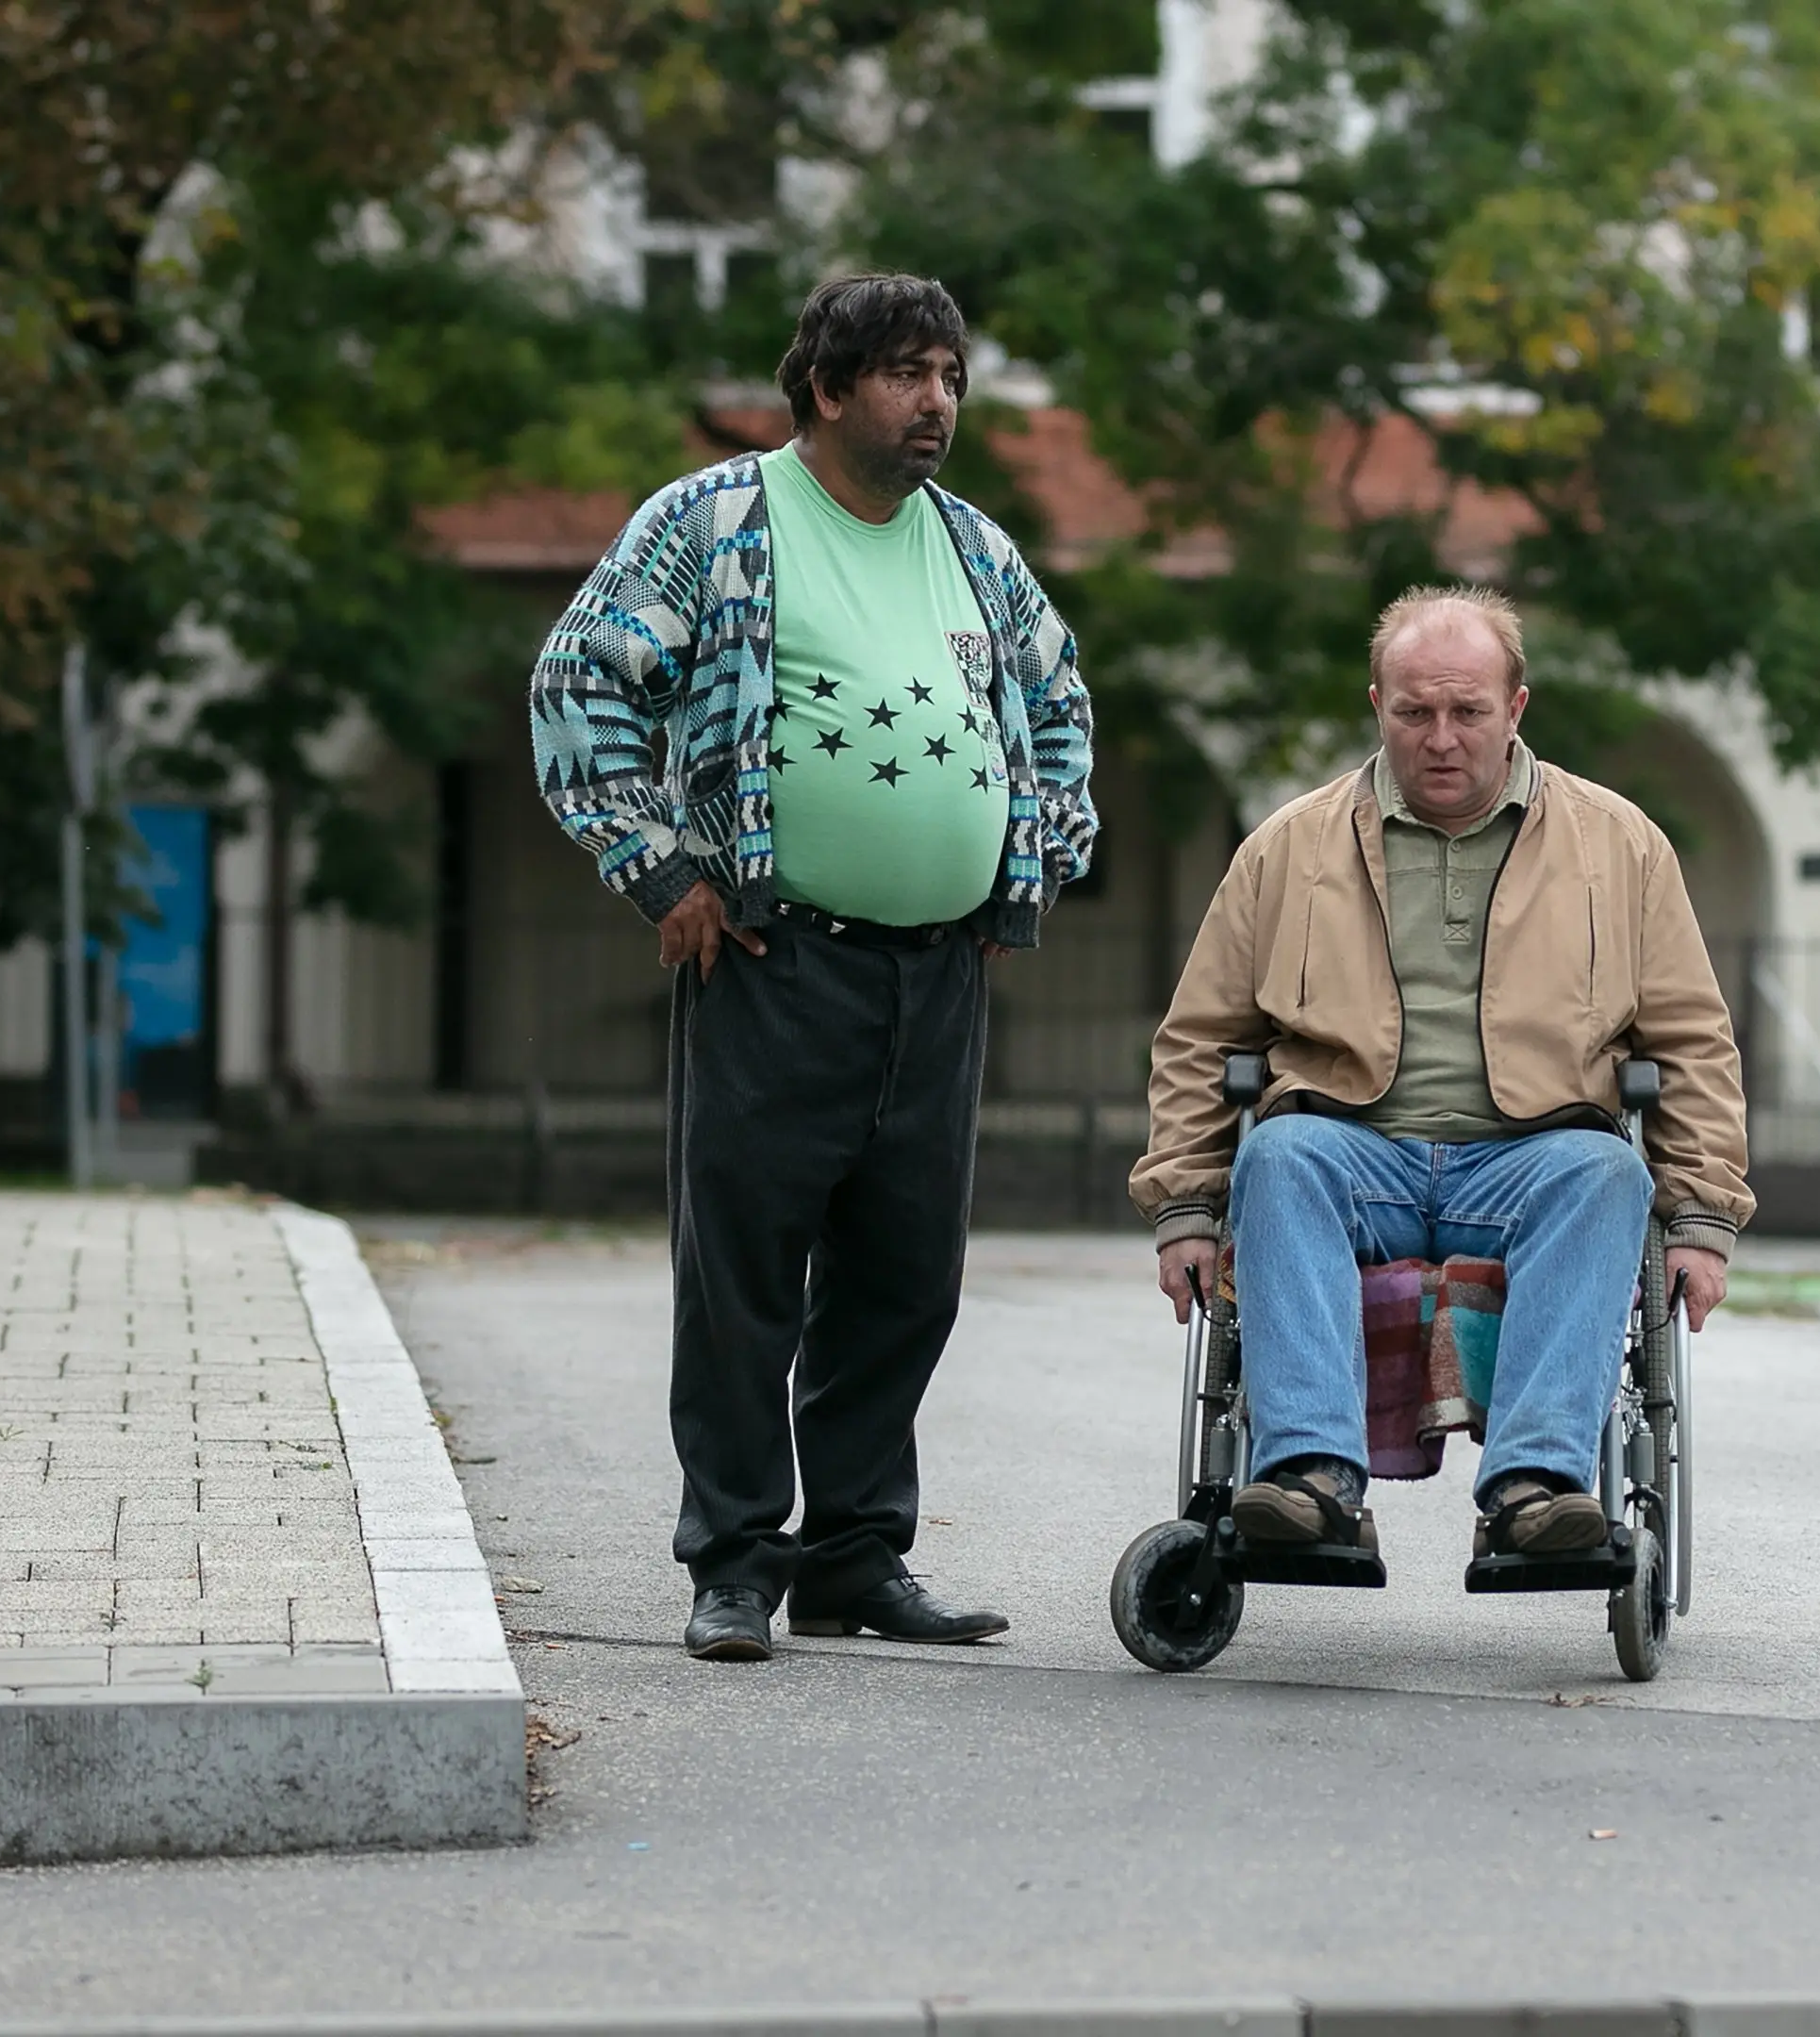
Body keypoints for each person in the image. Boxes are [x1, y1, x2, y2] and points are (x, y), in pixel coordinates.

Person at [529, 274, 1096, 1663]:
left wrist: (1026, 866)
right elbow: (578, 685)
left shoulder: (972, 546)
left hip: (938, 972)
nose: (937, 404)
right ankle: (734, 1559)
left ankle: (855, 1554)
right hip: (777, 956)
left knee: (907, 1276)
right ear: (830, 390)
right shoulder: (716, 522)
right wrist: (661, 869)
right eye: (907, 374)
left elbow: (1060, 707)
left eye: (951, 376)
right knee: (747, 1274)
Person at [1131, 588, 1747, 1557]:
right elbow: (1199, 1036)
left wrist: (1703, 1219)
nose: (1442, 736)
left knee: (1609, 1174)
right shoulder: (1289, 848)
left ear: (1517, 708)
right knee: (1280, 1156)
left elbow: (1693, 1042)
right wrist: (1185, 1209)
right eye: (1415, 711)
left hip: (1534, 1157)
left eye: (1468, 710)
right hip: (1349, 1152)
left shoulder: (1620, 847)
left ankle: (1537, 1486)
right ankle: (1310, 1476)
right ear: (1377, 706)